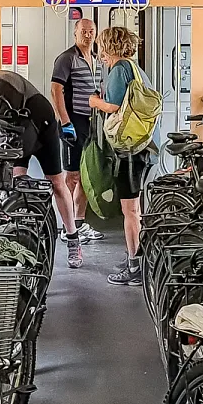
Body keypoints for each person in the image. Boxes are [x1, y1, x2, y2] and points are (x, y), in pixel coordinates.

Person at [0, 72, 82, 265]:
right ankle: (22, 224)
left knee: (57, 183)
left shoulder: (6, 89)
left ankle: (72, 238)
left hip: (40, 124)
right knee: (14, 181)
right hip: (16, 131)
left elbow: (11, 131)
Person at [87, 26, 154, 286]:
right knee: (135, 208)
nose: (100, 53)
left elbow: (113, 106)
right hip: (143, 145)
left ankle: (134, 267)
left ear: (109, 47)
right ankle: (133, 256)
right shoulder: (136, 69)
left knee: (130, 210)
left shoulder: (118, 70)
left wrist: (95, 102)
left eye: (102, 47)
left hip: (128, 150)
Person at [50, 15, 104, 266]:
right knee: (72, 177)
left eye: (91, 31)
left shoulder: (97, 60)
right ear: (75, 33)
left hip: (92, 122)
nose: (87, 35)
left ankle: (79, 223)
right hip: (73, 122)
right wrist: (65, 122)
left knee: (86, 174)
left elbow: (98, 91)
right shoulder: (67, 58)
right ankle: (67, 226)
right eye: (83, 31)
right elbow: (56, 90)